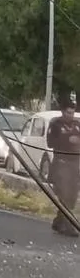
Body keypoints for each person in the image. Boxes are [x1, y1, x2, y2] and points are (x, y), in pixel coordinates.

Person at [46, 102, 80, 237]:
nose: (70, 115)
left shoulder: (77, 125)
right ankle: (67, 225)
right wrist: (67, 139)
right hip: (61, 163)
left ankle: (59, 221)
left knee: (72, 195)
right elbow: (50, 143)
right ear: (62, 112)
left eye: (72, 112)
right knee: (64, 194)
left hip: (75, 164)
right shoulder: (55, 124)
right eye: (67, 112)